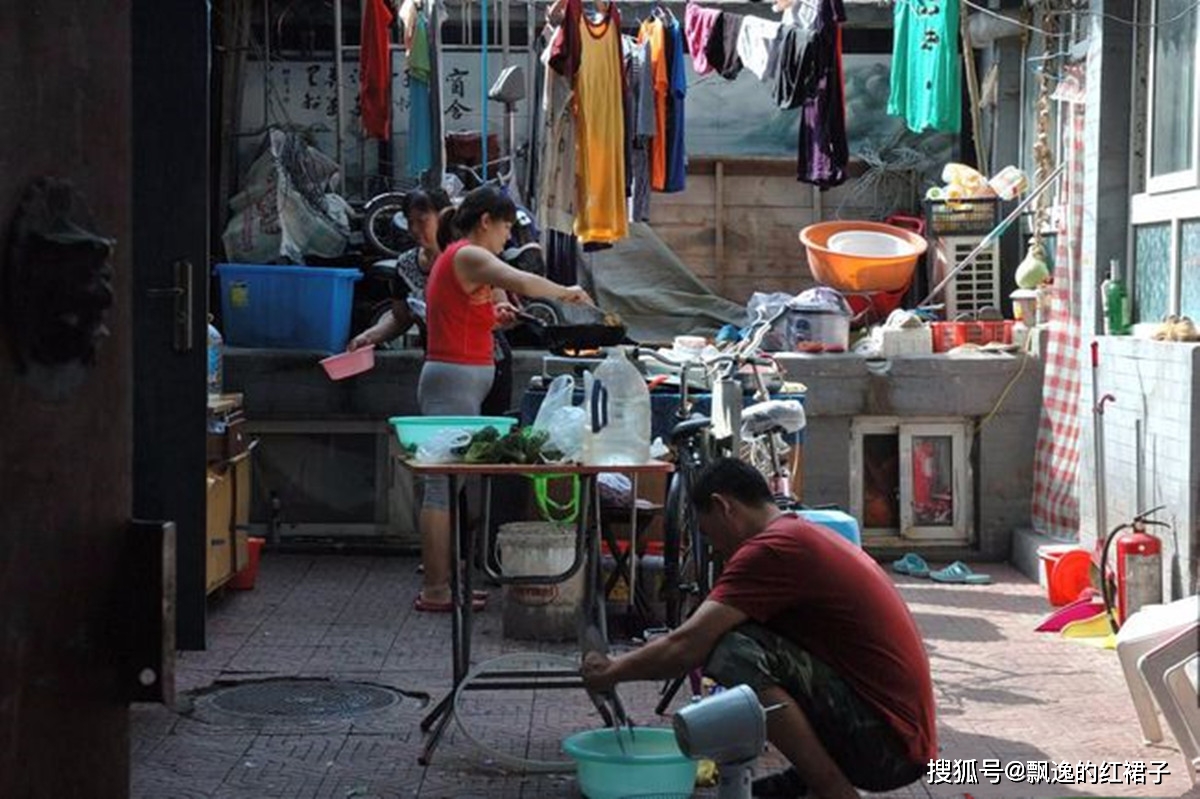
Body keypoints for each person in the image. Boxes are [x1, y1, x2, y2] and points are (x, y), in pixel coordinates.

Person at [581, 458, 936, 799]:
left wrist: (611, 672)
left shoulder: (772, 550)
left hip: (889, 748)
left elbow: (685, 647)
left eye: (707, 533)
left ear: (724, 507)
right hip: (901, 738)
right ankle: (808, 780)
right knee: (744, 638)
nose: (715, 546)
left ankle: (833, 790)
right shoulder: (797, 534)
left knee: (733, 651)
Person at [412, 185, 591, 612]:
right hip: (451, 382)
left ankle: (448, 585)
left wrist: (494, 318)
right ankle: (436, 589)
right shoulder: (468, 254)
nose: (509, 237)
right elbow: (520, 280)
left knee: (454, 486)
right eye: (507, 227)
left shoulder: (462, 259)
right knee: (440, 488)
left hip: (459, 382)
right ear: (486, 221)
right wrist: (565, 291)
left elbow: (464, 314)